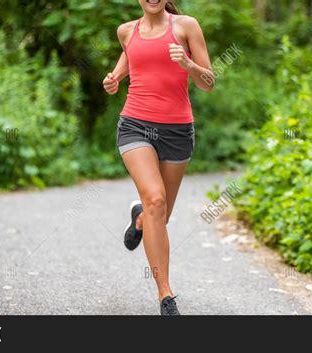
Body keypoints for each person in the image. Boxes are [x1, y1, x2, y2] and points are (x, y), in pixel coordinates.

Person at [103, 0, 214, 315]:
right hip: (135, 125)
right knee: (155, 200)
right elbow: (123, 69)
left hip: (178, 131)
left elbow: (209, 83)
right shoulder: (127, 32)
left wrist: (189, 65)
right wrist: (112, 81)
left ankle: (139, 219)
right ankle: (165, 295)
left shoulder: (186, 27)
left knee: (158, 217)